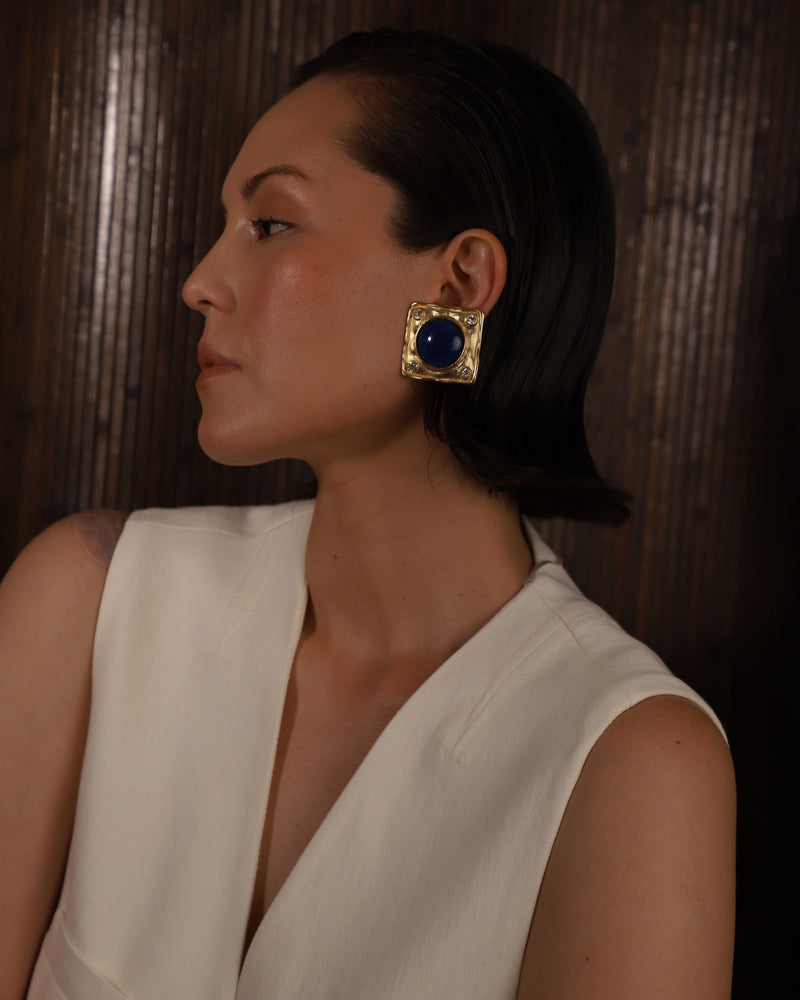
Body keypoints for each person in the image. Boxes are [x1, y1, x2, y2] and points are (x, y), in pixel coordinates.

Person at [2, 28, 735, 1000]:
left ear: (459, 283)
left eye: (270, 223)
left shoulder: (627, 761)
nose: (199, 282)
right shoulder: (91, 604)